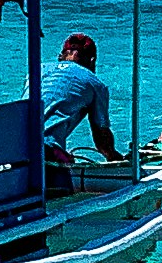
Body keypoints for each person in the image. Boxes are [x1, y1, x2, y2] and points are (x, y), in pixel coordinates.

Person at [39, 30, 119, 168]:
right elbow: (102, 140)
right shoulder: (94, 83)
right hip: (46, 151)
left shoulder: (37, 70)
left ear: (60, 56)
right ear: (92, 61)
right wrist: (115, 158)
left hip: (15, 148)